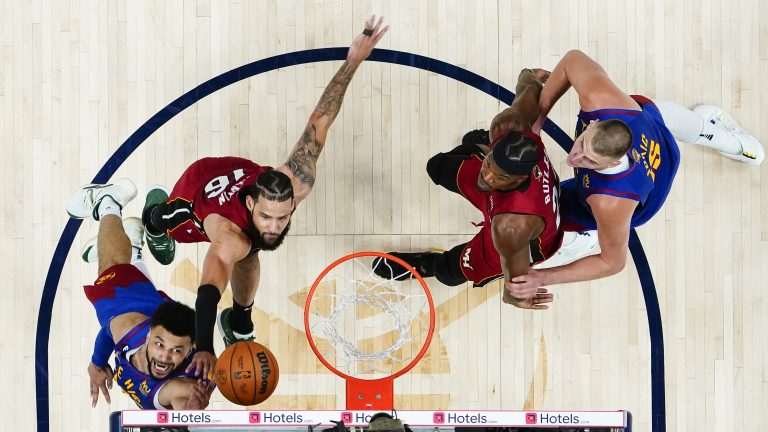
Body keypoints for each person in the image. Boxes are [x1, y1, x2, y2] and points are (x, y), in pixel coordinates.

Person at [137, 16, 390, 375]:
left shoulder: (297, 179)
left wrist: (353, 60)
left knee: (252, 252)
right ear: (252, 204)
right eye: (266, 217)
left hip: (236, 173)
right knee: (175, 222)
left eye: (281, 217)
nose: (274, 226)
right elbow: (209, 288)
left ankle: (239, 318)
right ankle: (154, 221)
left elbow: (321, 118)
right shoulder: (228, 236)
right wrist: (204, 347)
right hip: (197, 194)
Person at [509, 49, 764, 299]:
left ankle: (584, 237)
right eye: (582, 144)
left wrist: (543, 278)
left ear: (610, 165)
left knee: (551, 214)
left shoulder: (610, 201)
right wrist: (537, 121)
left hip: (647, 187)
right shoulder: (599, 98)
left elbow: (612, 262)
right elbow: (572, 60)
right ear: (595, 123)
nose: (574, 157)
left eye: (589, 159)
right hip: (653, 123)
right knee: (681, 119)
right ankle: (726, 139)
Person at [372, 68, 562, 310]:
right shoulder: (511, 123)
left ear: (520, 177)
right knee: (437, 167)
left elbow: (516, 279)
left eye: (500, 175)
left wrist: (514, 297)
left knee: (450, 272)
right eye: (490, 162)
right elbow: (528, 83)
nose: (489, 176)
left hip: (523, 241)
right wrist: (532, 76)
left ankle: (425, 264)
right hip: (509, 199)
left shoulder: (510, 228)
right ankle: (480, 147)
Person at [66, 179, 213, 410]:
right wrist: (97, 362)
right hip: (128, 300)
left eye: (177, 350)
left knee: (134, 281)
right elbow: (108, 330)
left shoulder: (172, 349)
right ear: (149, 336)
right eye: (160, 344)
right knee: (110, 266)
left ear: (189, 350)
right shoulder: (128, 326)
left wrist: (99, 362)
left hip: (159, 310)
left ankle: (134, 244)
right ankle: (109, 201)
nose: (165, 357)